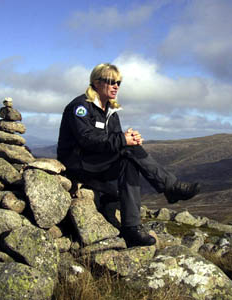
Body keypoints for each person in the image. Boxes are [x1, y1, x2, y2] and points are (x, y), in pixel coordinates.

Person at [57, 63, 201, 248]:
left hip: (97, 163)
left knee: (129, 161)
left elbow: (113, 142)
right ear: (96, 82)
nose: (116, 86)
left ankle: (131, 229)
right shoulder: (81, 107)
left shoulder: (111, 111)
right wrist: (123, 140)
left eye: (119, 82)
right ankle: (171, 187)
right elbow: (87, 140)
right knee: (127, 150)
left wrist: (129, 138)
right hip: (78, 162)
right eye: (111, 81)